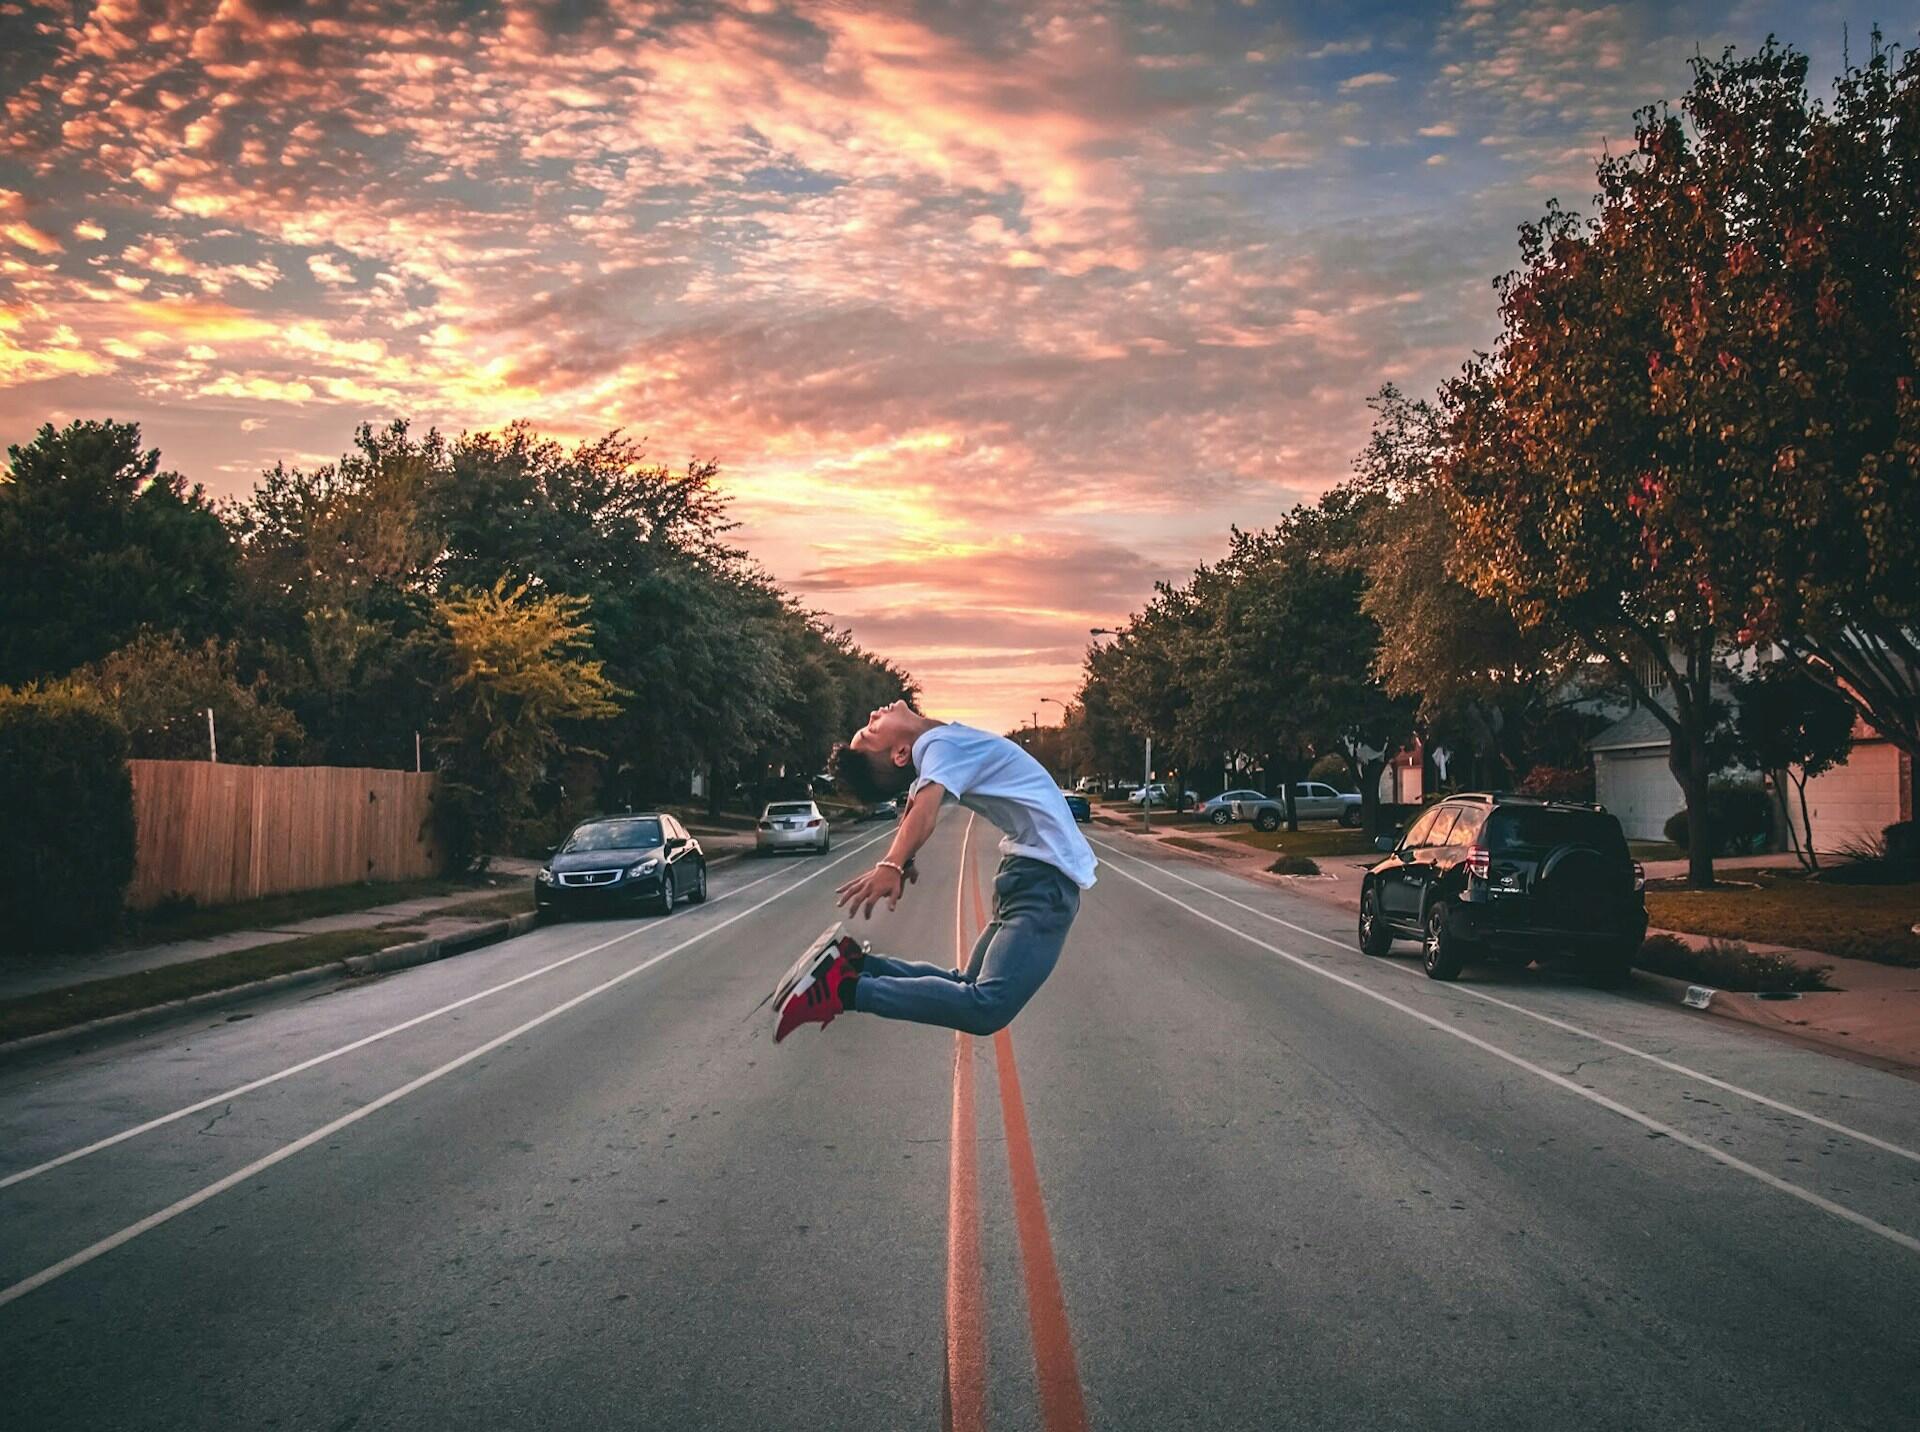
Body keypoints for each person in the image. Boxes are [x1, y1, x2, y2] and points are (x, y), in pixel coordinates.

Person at [773, 700, 1096, 1043]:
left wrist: (905, 861)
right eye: (870, 731)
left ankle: (854, 966)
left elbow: (914, 806)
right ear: (900, 753)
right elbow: (923, 813)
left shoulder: (939, 749)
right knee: (986, 1007)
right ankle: (845, 989)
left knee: (967, 984)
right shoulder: (939, 747)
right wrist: (891, 864)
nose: (871, 716)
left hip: (1029, 873)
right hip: (1045, 880)